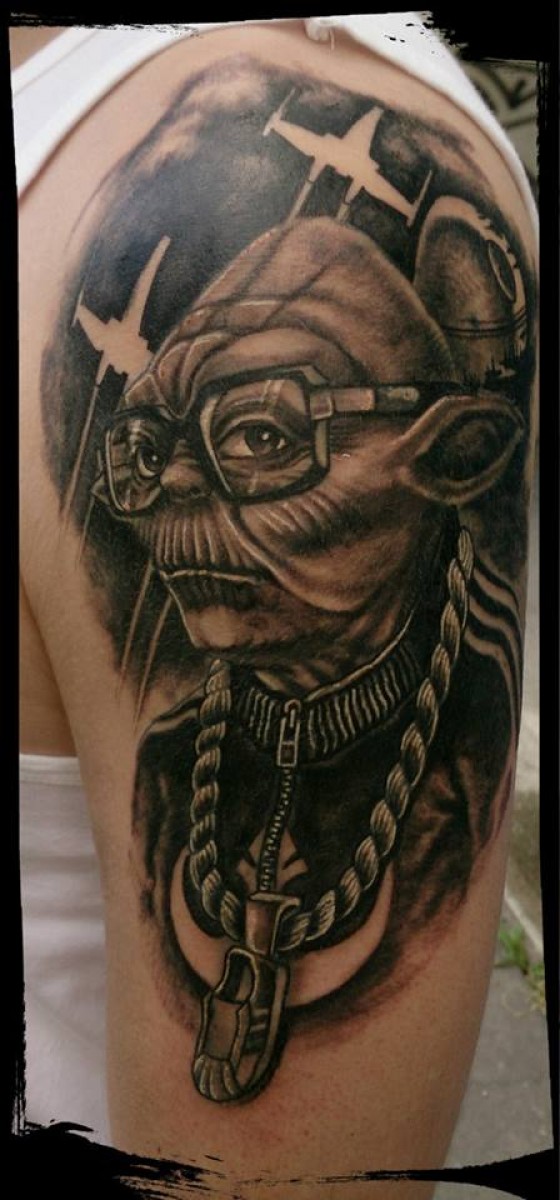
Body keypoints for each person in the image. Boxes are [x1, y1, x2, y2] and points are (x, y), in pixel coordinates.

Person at [16, 18, 538, 1197]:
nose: (175, 495)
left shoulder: (218, 165)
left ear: (445, 456)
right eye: (146, 454)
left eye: (257, 436)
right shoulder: (175, 776)